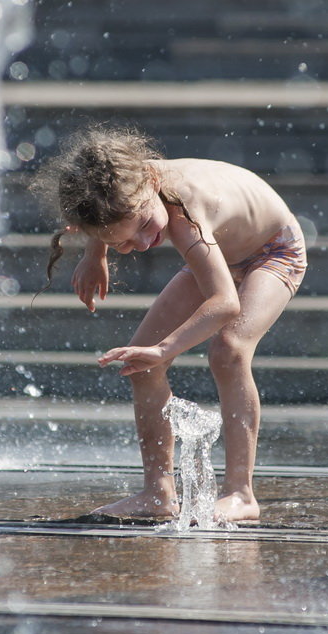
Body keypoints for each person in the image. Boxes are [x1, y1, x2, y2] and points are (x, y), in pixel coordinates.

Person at [35, 125, 307, 524]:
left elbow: (225, 303)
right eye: (125, 243)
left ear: (149, 188)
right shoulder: (120, 180)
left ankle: (241, 494)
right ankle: (158, 492)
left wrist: (165, 349)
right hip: (222, 254)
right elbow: (104, 209)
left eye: (144, 227)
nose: (143, 244)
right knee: (141, 369)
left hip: (274, 250)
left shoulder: (185, 217)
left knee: (229, 351)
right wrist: (97, 254)